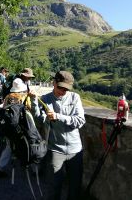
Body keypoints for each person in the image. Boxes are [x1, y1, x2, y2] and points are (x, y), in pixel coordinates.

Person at [32, 71, 86, 200]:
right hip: (55, 150)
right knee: (54, 187)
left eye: (66, 89)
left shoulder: (75, 98)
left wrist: (58, 116)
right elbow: (39, 121)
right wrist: (34, 103)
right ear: (54, 83)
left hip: (75, 150)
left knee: (75, 187)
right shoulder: (45, 99)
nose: (63, 91)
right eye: (60, 87)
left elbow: (80, 121)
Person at [0, 78, 35, 177]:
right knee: (28, 145)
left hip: (8, 127)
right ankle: (33, 169)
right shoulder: (23, 97)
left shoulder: (8, 96)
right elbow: (29, 109)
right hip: (21, 127)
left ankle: (0, 167)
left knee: (8, 147)